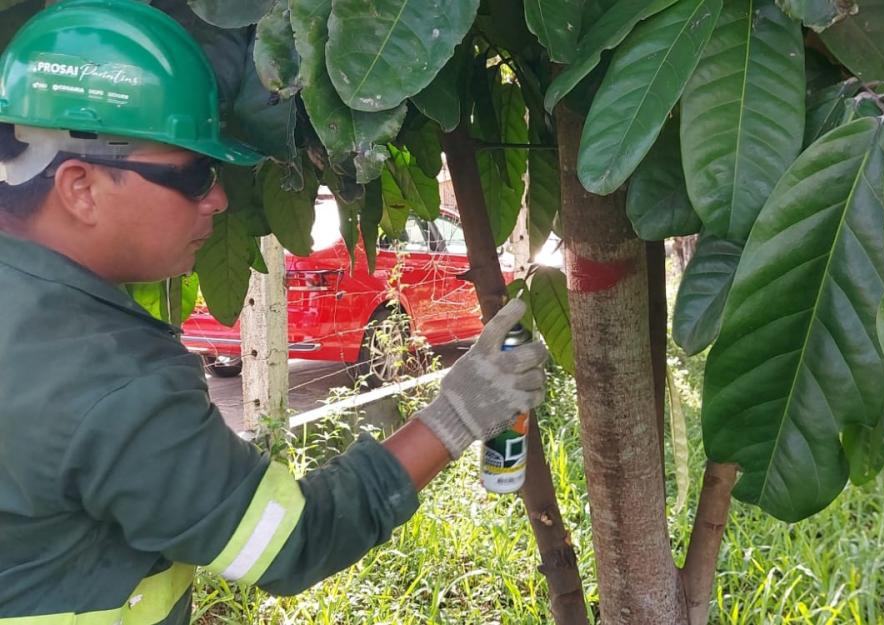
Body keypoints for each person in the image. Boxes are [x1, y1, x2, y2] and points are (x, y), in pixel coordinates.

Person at [0, 0, 548, 622]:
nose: (218, 199)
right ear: (81, 187)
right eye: (194, 174)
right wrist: (457, 416)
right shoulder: (109, 376)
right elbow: (292, 542)